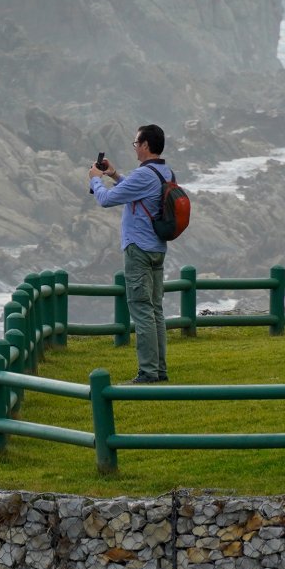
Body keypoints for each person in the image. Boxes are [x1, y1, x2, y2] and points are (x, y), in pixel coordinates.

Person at [89, 124, 174, 384]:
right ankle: (159, 369)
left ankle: (148, 372)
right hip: (157, 248)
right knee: (155, 310)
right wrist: (114, 175)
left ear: (146, 145)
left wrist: (95, 178)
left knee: (141, 309)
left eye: (136, 143)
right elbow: (137, 192)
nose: (135, 147)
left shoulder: (144, 174)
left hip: (139, 248)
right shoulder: (164, 172)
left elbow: (106, 200)